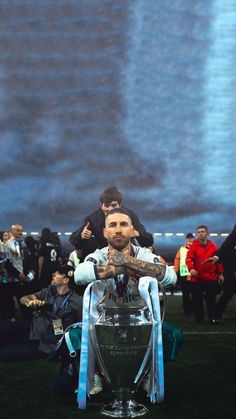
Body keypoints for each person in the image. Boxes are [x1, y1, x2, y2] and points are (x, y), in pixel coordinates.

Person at [74, 208, 177, 398]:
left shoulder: (143, 254)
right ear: (105, 232)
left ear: (132, 231)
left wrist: (127, 261)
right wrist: (115, 269)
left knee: (171, 334)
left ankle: (148, 373)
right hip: (107, 321)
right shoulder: (98, 254)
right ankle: (96, 373)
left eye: (123, 225)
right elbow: (79, 274)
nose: (118, 230)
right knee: (74, 335)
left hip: (139, 321)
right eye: (112, 225)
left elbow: (171, 276)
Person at [70, 186, 153, 260]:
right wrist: (81, 236)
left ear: (120, 205)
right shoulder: (92, 219)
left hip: (127, 254)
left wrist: (138, 234)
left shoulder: (129, 216)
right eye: (106, 206)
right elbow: (72, 239)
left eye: (113, 205)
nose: (110, 209)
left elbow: (148, 240)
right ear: (101, 205)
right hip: (103, 256)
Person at [186, 226, 224, 324]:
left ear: (207, 233)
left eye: (202, 232)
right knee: (196, 300)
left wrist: (220, 274)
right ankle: (199, 318)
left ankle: (213, 318)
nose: (200, 234)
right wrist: (191, 269)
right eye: (198, 232)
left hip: (210, 278)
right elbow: (188, 259)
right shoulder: (194, 246)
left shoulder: (213, 246)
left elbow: (218, 261)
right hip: (197, 278)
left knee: (211, 300)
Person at [204, 224, 236, 319]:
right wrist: (217, 257)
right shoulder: (233, 238)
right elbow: (227, 244)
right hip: (232, 272)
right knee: (227, 294)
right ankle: (215, 316)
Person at [174, 233, 194, 315]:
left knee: (194, 293)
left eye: (191, 238)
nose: (189, 239)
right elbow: (177, 260)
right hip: (184, 274)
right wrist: (175, 271)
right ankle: (187, 310)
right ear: (186, 239)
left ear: (193, 238)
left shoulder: (196, 247)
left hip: (193, 274)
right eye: (188, 238)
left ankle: (193, 308)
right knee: (185, 294)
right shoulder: (182, 249)